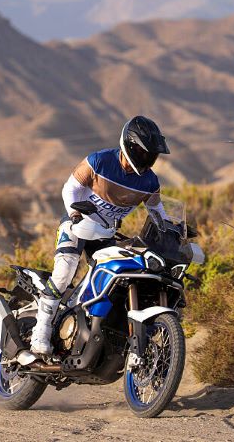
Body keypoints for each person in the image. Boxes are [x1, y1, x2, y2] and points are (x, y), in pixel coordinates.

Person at [29, 116, 171, 356]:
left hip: (105, 232)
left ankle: (82, 326)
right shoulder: (99, 161)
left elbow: (156, 210)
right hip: (77, 224)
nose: (147, 159)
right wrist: (74, 212)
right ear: (129, 145)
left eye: (151, 155)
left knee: (111, 280)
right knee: (64, 273)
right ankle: (40, 332)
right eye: (143, 152)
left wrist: (171, 229)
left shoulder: (149, 181)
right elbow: (70, 188)